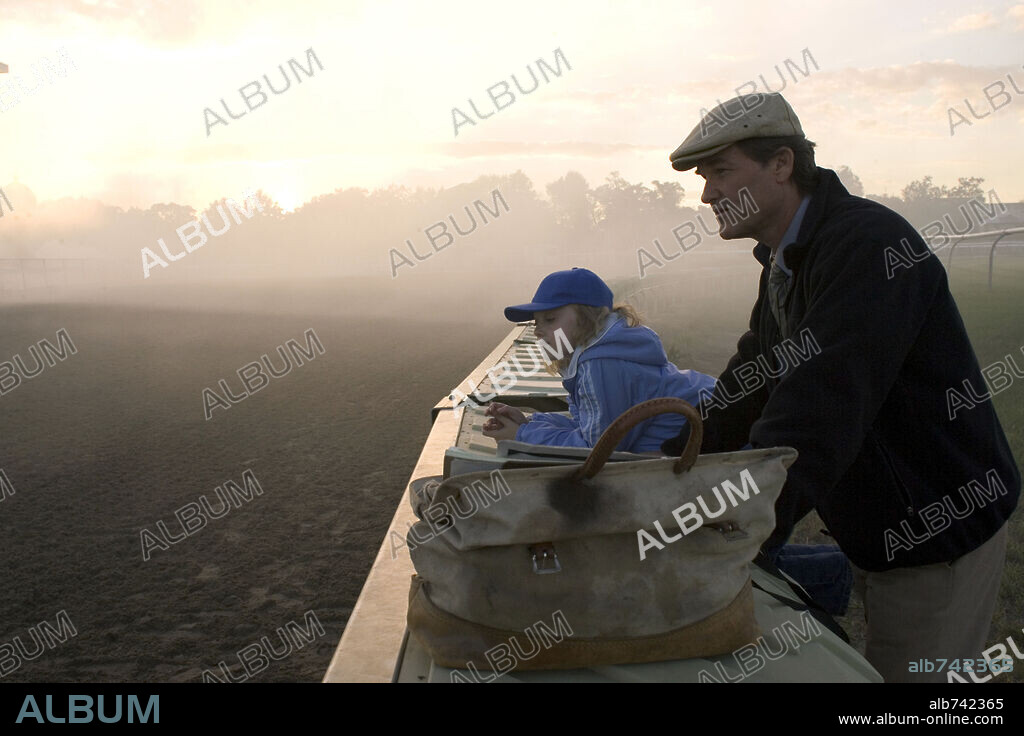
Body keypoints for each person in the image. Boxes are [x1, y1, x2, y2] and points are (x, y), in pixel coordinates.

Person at [662, 92, 1019, 682]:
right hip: (882, 526)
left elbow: (819, 403)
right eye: (704, 177)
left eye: (721, 172)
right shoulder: (788, 258)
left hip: (938, 531)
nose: (706, 195)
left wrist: (739, 531)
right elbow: (748, 382)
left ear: (781, 164)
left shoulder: (867, 244)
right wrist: (660, 465)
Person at [481, 267, 716, 453]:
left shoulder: (603, 364)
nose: (538, 332)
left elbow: (597, 450)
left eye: (550, 319)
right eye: (536, 322)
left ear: (588, 318)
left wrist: (521, 435)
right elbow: (590, 428)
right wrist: (528, 423)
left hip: (730, 436)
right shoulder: (598, 354)